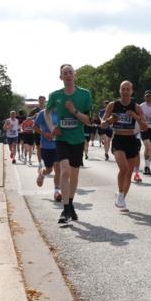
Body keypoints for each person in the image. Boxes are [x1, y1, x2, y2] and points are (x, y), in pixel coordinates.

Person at [45, 65, 93, 223]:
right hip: (62, 139)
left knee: (74, 174)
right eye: (64, 73)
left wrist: (74, 111)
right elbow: (46, 111)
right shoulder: (55, 95)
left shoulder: (85, 94)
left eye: (70, 72)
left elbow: (88, 120)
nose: (68, 75)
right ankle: (65, 210)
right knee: (64, 171)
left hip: (78, 139)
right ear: (61, 77)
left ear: (75, 75)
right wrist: (52, 127)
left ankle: (70, 204)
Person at [104, 81, 147, 212]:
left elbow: (145, 127)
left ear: (131, 91)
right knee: (124, 168)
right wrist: (110, 120)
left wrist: (135, 116)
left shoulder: (136, 107)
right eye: (123, 89)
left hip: (131, 140)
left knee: (128, 173)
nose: (125, 91)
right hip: (118, 139)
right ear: (120, 90)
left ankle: (121, 197)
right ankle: (121, 194)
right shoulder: (113, 105)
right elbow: (102, 124)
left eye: (128, 89)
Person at [33, 96, 62, 202]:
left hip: (58, 144)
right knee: (49, 169)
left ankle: (57, 191)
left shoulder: (61, 113)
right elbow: (35, 126)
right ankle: (42, 173)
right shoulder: (43, 113)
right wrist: (44, 134)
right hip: (46, 146)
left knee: (58, 168)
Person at [139, 90, 151, 176]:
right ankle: (146, 166)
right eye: (147, 96)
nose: (148, 97)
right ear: (144, 97)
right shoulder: (141, 106)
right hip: (144, 129)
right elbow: (138, 117)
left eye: (149, 96)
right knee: (147, 146)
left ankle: (148, 166)